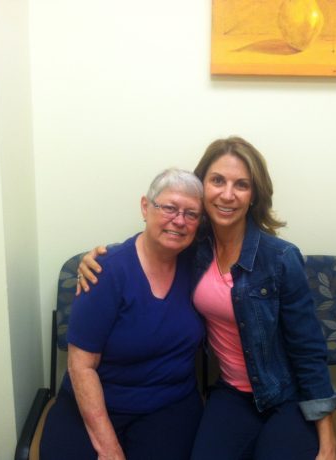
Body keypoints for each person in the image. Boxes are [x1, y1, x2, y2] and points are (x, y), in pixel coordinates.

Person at [78, 137, 336, 460]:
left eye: (241, 184)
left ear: (253, 195)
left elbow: (308, 349)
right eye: (218, 181)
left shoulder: (280, 258)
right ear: (203, 189)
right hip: (230, 395)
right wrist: (98, 259)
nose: (228, 194)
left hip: (283, 397)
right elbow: (150, 245)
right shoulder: (194, 247)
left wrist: (327, 440)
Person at [40, 168, 205, 460]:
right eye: (168, 207)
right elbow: (81, 367)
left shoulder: (200, 266)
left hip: (170, 405)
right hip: (95, 403)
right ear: (145, 207)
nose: (179, 220)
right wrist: (108, 448)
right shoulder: (105, 271)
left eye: (191, 214)